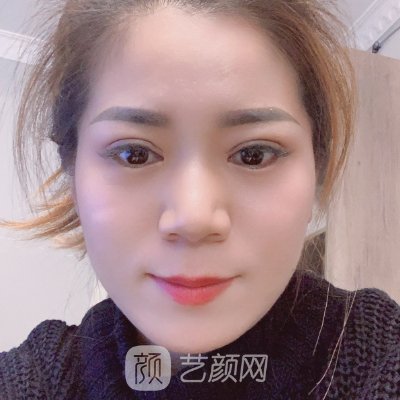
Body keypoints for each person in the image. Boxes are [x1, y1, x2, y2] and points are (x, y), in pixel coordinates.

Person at [0, 0, 399, 399]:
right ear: (72, 172)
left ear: (318, 169)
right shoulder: (31, 380)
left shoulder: (380, 358)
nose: (194, 218)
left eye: (253, 154)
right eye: (134, 154)